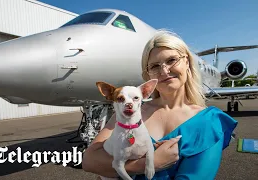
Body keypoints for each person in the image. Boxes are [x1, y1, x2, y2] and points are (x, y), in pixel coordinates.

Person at [82, 29, 238, 179]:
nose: (164, 71)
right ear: (148, 74)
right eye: (155, 66)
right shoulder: (129, 113)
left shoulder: (209, 123)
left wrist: (111, 168)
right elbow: (89, 160)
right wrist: (146, 164)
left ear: (187, 63)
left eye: (171, 60)